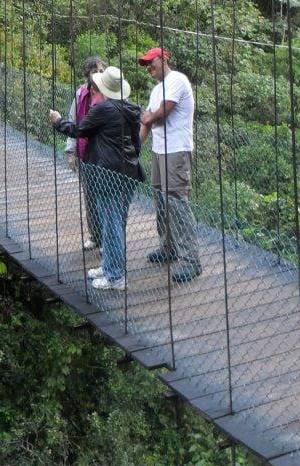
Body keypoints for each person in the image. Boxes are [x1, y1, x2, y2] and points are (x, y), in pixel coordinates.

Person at [49, 66, 143, 291]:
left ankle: (115, 276)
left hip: (107, 173)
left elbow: (78, 129)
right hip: (128, 172)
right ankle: (109, 265)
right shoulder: (129, 108)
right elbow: (136, 143)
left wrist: (57, 121)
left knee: (111, 224)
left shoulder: (104, 109)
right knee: (115, 221)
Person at [139, 47, 202, 283]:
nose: (148, 68)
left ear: (164, 59)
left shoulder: (177, 80)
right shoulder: (156, 90)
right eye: (145, 65)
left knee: (176, 203)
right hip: (159, 151)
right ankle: (169, 248)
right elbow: (146, 121)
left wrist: (149, 117)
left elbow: (159, 114)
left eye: (150, 62)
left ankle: (190, 260)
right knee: (160, 201)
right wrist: (134, 148)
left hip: (176, 152)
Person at [65, 55, 107, 251]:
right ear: (88, 74)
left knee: (105, 198)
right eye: (94, 71)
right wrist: (71, 151)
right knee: (90, 197)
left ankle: (108, 239)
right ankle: (95, 236)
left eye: (101, 71)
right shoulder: (81, 94)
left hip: (105, 154)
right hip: (86, 152)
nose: (98, 75)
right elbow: (74, 123)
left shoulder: (112, 93)